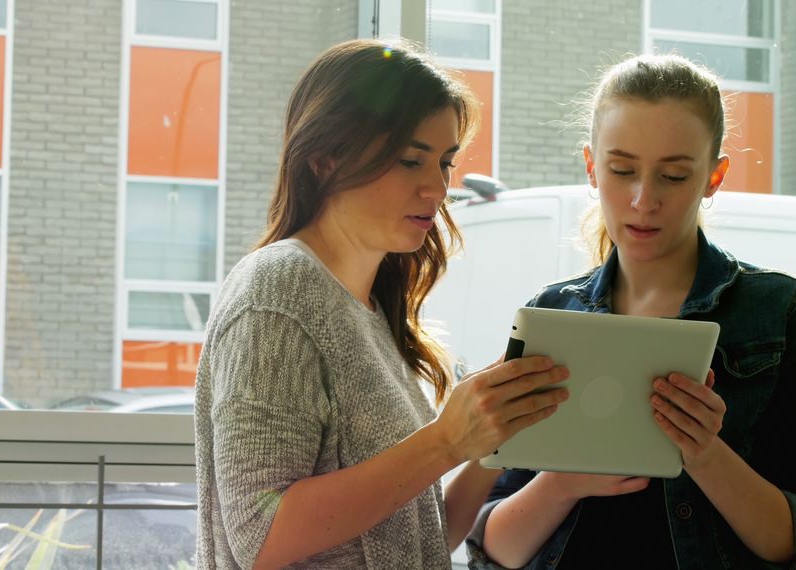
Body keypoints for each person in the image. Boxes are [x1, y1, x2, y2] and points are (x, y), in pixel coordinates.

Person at [193, 38, 572, 569]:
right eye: (410, 160)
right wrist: (445, 441)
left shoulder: (369, 309)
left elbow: (419, 537)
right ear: (325, 160)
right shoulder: (277, 292)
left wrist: (494, 435)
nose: (438, 187)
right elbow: (260, 535)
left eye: (444, 162)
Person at [465, 53, 796, 570]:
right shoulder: (551, 314)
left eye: (673, 176)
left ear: (714, 176)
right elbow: (495, 551)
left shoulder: (780, 312)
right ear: (592, 169)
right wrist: (564, 481)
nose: (644, 200)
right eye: (622, 171)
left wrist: (706, 455)